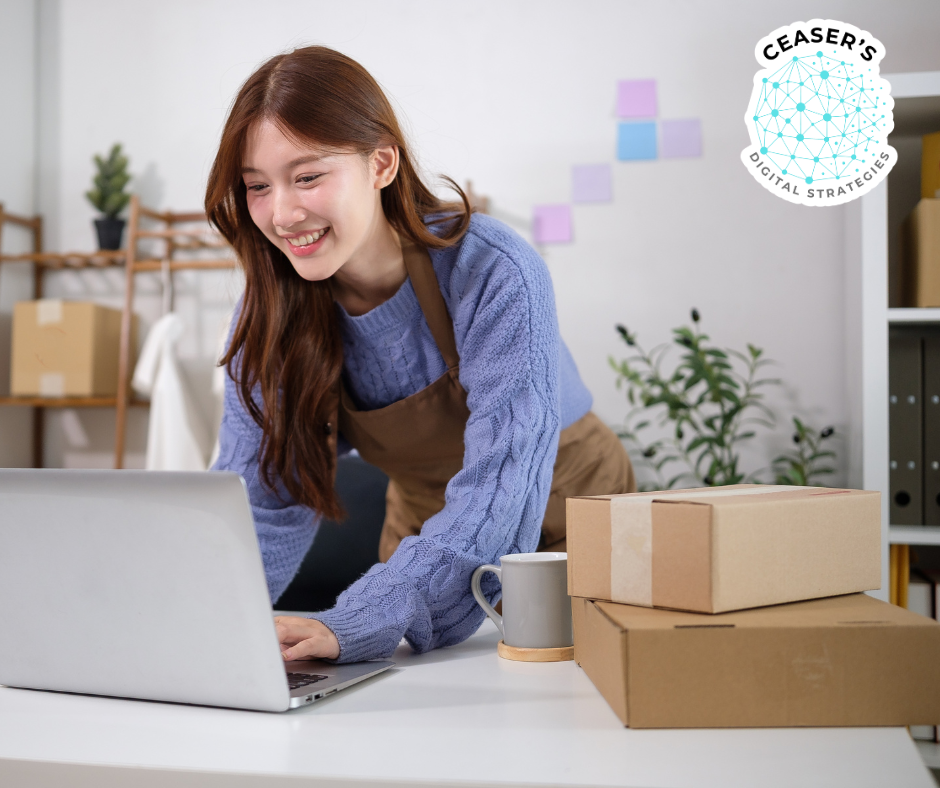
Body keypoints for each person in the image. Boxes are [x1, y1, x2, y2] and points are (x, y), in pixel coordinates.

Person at [206, 46, 635, 664]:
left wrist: (362, 617)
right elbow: (264, 500)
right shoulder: (271, 311)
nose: (282, 212)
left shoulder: (491, 270)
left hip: (570, 506)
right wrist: (210, 621)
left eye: (307, 177)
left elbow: (503, 484)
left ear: (381, 163)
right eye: (256, 186)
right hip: (425, 531)